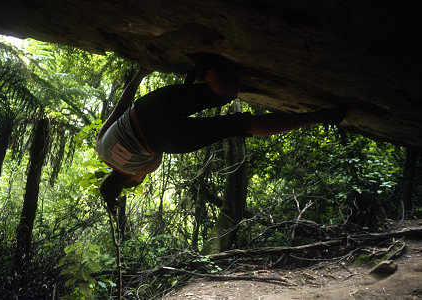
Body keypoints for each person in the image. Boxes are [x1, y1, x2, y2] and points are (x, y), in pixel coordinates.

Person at [96, 66, 346, 215]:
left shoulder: (136, 170)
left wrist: (142, 171)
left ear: (130, 179)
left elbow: (158, 155)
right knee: (223, 93)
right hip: (146, 108)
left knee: (242, 125)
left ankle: (318, 116)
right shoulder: (100, 146)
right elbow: (121, 107)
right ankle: (207, 69)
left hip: (165, 138)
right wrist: (140, 73)